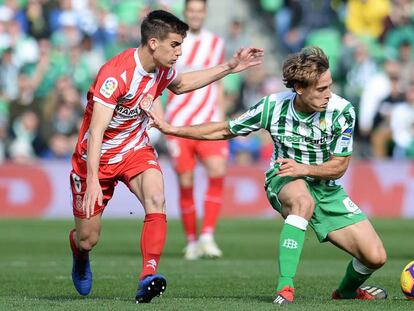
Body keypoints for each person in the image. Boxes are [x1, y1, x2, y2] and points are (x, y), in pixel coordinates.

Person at [148, 46, 388, 304]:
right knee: (302, 201)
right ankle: (285, 288)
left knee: (375, 257)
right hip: (284, 177)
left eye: (329, 86)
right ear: (298, 88)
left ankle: (346, 292)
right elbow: (224, 130)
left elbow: (340, 166)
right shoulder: (272, 106)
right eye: (321, 89)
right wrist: (173, 129)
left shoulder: (342, 111)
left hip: (325, 186)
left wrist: (305, 169)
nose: (328, 95)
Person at [68, 9, 263, 303]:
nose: (179, 52)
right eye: (175, 45)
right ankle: (80, 254)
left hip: (135, 148)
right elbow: (96, 132)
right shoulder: (115, 75)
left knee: (157, 199)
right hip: (96, 158)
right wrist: (93, 178)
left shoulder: (160, 69)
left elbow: (182, 84)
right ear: (153, 44)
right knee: (88, 238)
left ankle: (147, 276)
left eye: (181, 45)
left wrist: (229, 67)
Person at [163, 0, 227, 260]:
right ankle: (191, 240)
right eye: (192, 11)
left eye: (200, 11)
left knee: (217, 170)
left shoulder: (216, 43)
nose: (196, 15)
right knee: (186, 181)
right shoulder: (174, 43)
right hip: (178, 122)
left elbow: (220, 82)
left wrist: (221, 114)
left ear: (205, 13)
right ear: (185, 12)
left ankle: (208, 235)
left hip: (209, 120)